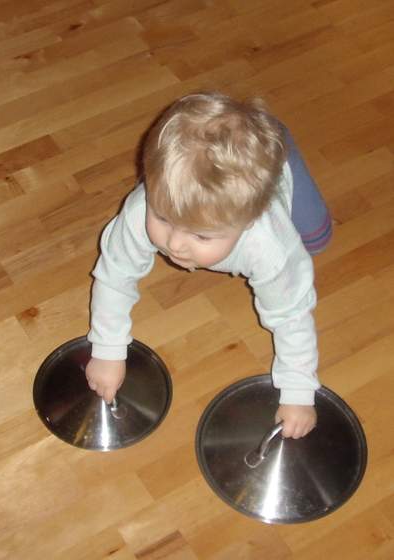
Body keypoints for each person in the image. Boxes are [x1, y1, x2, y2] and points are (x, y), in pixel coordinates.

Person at [85, 91, 332, 439]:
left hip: (283, 165)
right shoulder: (142, 208)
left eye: (201, 236)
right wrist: (107, 350)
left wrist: (298, 392)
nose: (174, 244)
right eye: (163, 217)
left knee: (316, 240)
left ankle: (277, 137)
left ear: (247, 223)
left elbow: (292, 315)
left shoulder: (268, 245)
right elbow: (115, 275)